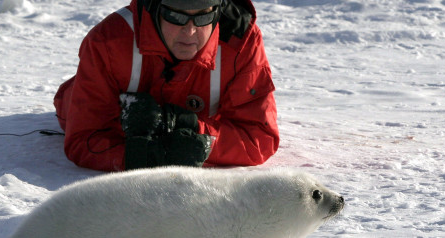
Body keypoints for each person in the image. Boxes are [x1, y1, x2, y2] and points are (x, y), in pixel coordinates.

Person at [54, 0, 279, 171]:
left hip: (204, 120)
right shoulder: (108, 40)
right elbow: (83, 138)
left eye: (202, 17)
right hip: (97, 105)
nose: (190, 31)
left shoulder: (241, 42)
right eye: (176, 16)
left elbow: (259, 138)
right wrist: (134, 158)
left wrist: (198, 136)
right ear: (154, 7)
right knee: (68, 101)